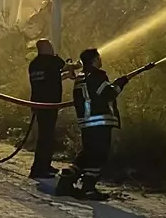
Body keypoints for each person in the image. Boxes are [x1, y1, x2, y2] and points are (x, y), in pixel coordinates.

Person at [55, 48, 128, 201]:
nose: (101, 60)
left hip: (87, 123)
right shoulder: (98, 75)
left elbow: (95, 95)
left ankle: (66, 181)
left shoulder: (80, 78)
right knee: (98, 156)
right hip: (100, 122)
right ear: (94, 60)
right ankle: (88, 189)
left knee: (87, 154)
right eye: (99, 58)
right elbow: (108, 94)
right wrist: (120, 84)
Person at [26, 39, 74, 180]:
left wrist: (65, 76)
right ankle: (40, 170)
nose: (53, 48)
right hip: (49, 104)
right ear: (46, 48)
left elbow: (51, 78)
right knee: (46, 137)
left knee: (44, 136)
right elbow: (66, 66)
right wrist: (78, 64)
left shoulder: (34, 64)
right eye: (51, 46)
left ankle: (43, 165)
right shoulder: (52, 60)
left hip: (38, 104)